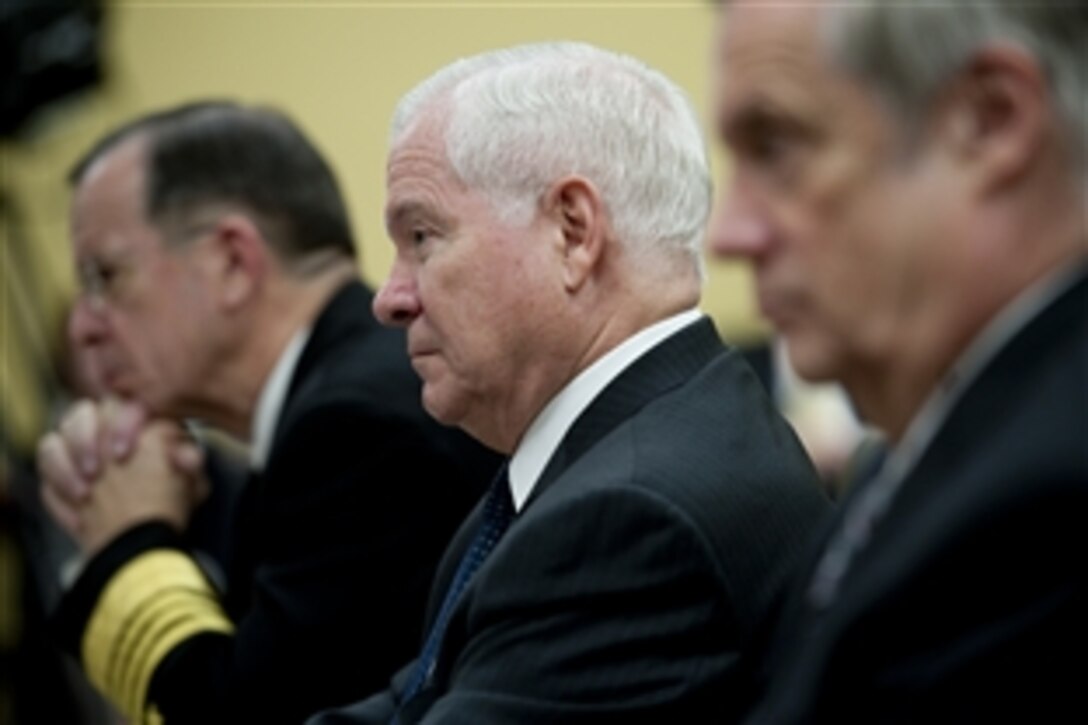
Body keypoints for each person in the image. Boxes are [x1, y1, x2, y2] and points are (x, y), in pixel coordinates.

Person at [309, 42, 831, 724]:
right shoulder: (647, 433)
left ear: (573, 231)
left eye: (423, 236)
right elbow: (416, 702)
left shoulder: (629, 514)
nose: (390, 298)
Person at [35, 101, 499, 724]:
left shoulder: (357, 433)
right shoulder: (345, 397)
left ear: (231, 261)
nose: (83, 326)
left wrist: (126, 544)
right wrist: (181, 493)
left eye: (105, 276)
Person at [709, 2, 1087, 722]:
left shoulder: (1041, 509)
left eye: (776, 145)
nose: (729, 233)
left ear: (992, 119)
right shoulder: (929, 447)